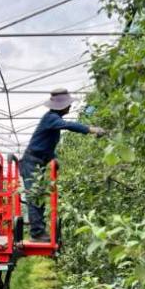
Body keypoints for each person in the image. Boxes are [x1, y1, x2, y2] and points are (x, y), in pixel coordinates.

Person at [20, 88, 106, 242]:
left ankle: (39, 232)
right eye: (68, 104)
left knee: (38, 195)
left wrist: (53, 157)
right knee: (34, 196)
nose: (70, 107)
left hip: (38, 162)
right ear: (61, 105)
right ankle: (37, 233)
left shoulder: (52, 120)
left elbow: (46, 143)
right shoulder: (51, 118)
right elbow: (69, 125)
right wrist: (91, 129)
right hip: (31, 161)